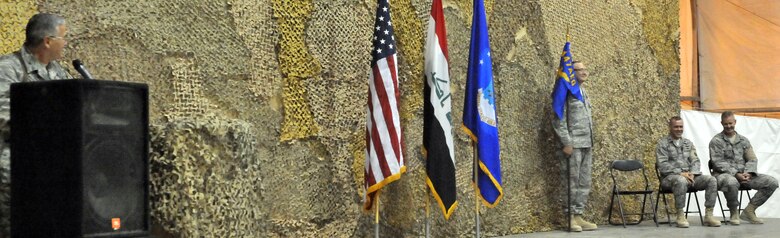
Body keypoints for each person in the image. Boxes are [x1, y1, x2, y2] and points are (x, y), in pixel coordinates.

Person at [0, 13, 71, 235]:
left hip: (50, 169)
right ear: (47, 41)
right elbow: (3, 114)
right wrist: (48, 123)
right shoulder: (8, 68)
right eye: (63, 38)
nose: (66, 43)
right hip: (14, 168)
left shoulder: (58, 72)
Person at [709, 111, 778, 225]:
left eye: (730, 123)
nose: (729, 126)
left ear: (735, 122)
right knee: (731, 182)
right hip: (723, 176)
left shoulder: (743, 140)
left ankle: (749, 210)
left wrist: (748, 173)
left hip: (744, 175)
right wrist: (736, 174)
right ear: (721, 123)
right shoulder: (716, 141)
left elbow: (752, 159)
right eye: (726, 124)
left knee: (772, 182)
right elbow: (717, 163)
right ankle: (734, 212)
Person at [551, 61, 596, 232]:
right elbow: (558, 119)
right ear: (571, 73)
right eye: (579, 70)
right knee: (571, 182)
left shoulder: (583, 92)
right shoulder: (566, 92)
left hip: (586, 143)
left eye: (585, 69)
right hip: (573, 145)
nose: (584, 72)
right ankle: (569, 217)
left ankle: (578, 215)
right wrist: (566, 142)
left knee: (584, 182)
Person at [656, 116, 720, 227]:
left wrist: (692, 173)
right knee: (680, 180)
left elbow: (695, 160)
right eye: (676, 127)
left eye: (681, 127)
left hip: (690, 177)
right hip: (669, 178)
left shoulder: (688, 143)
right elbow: (662, 165)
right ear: (670, 127)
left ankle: (709, 215)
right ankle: (680, 215)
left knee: (711, 180)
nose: (679, 129)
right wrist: (680, 173)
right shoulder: (663, 144)